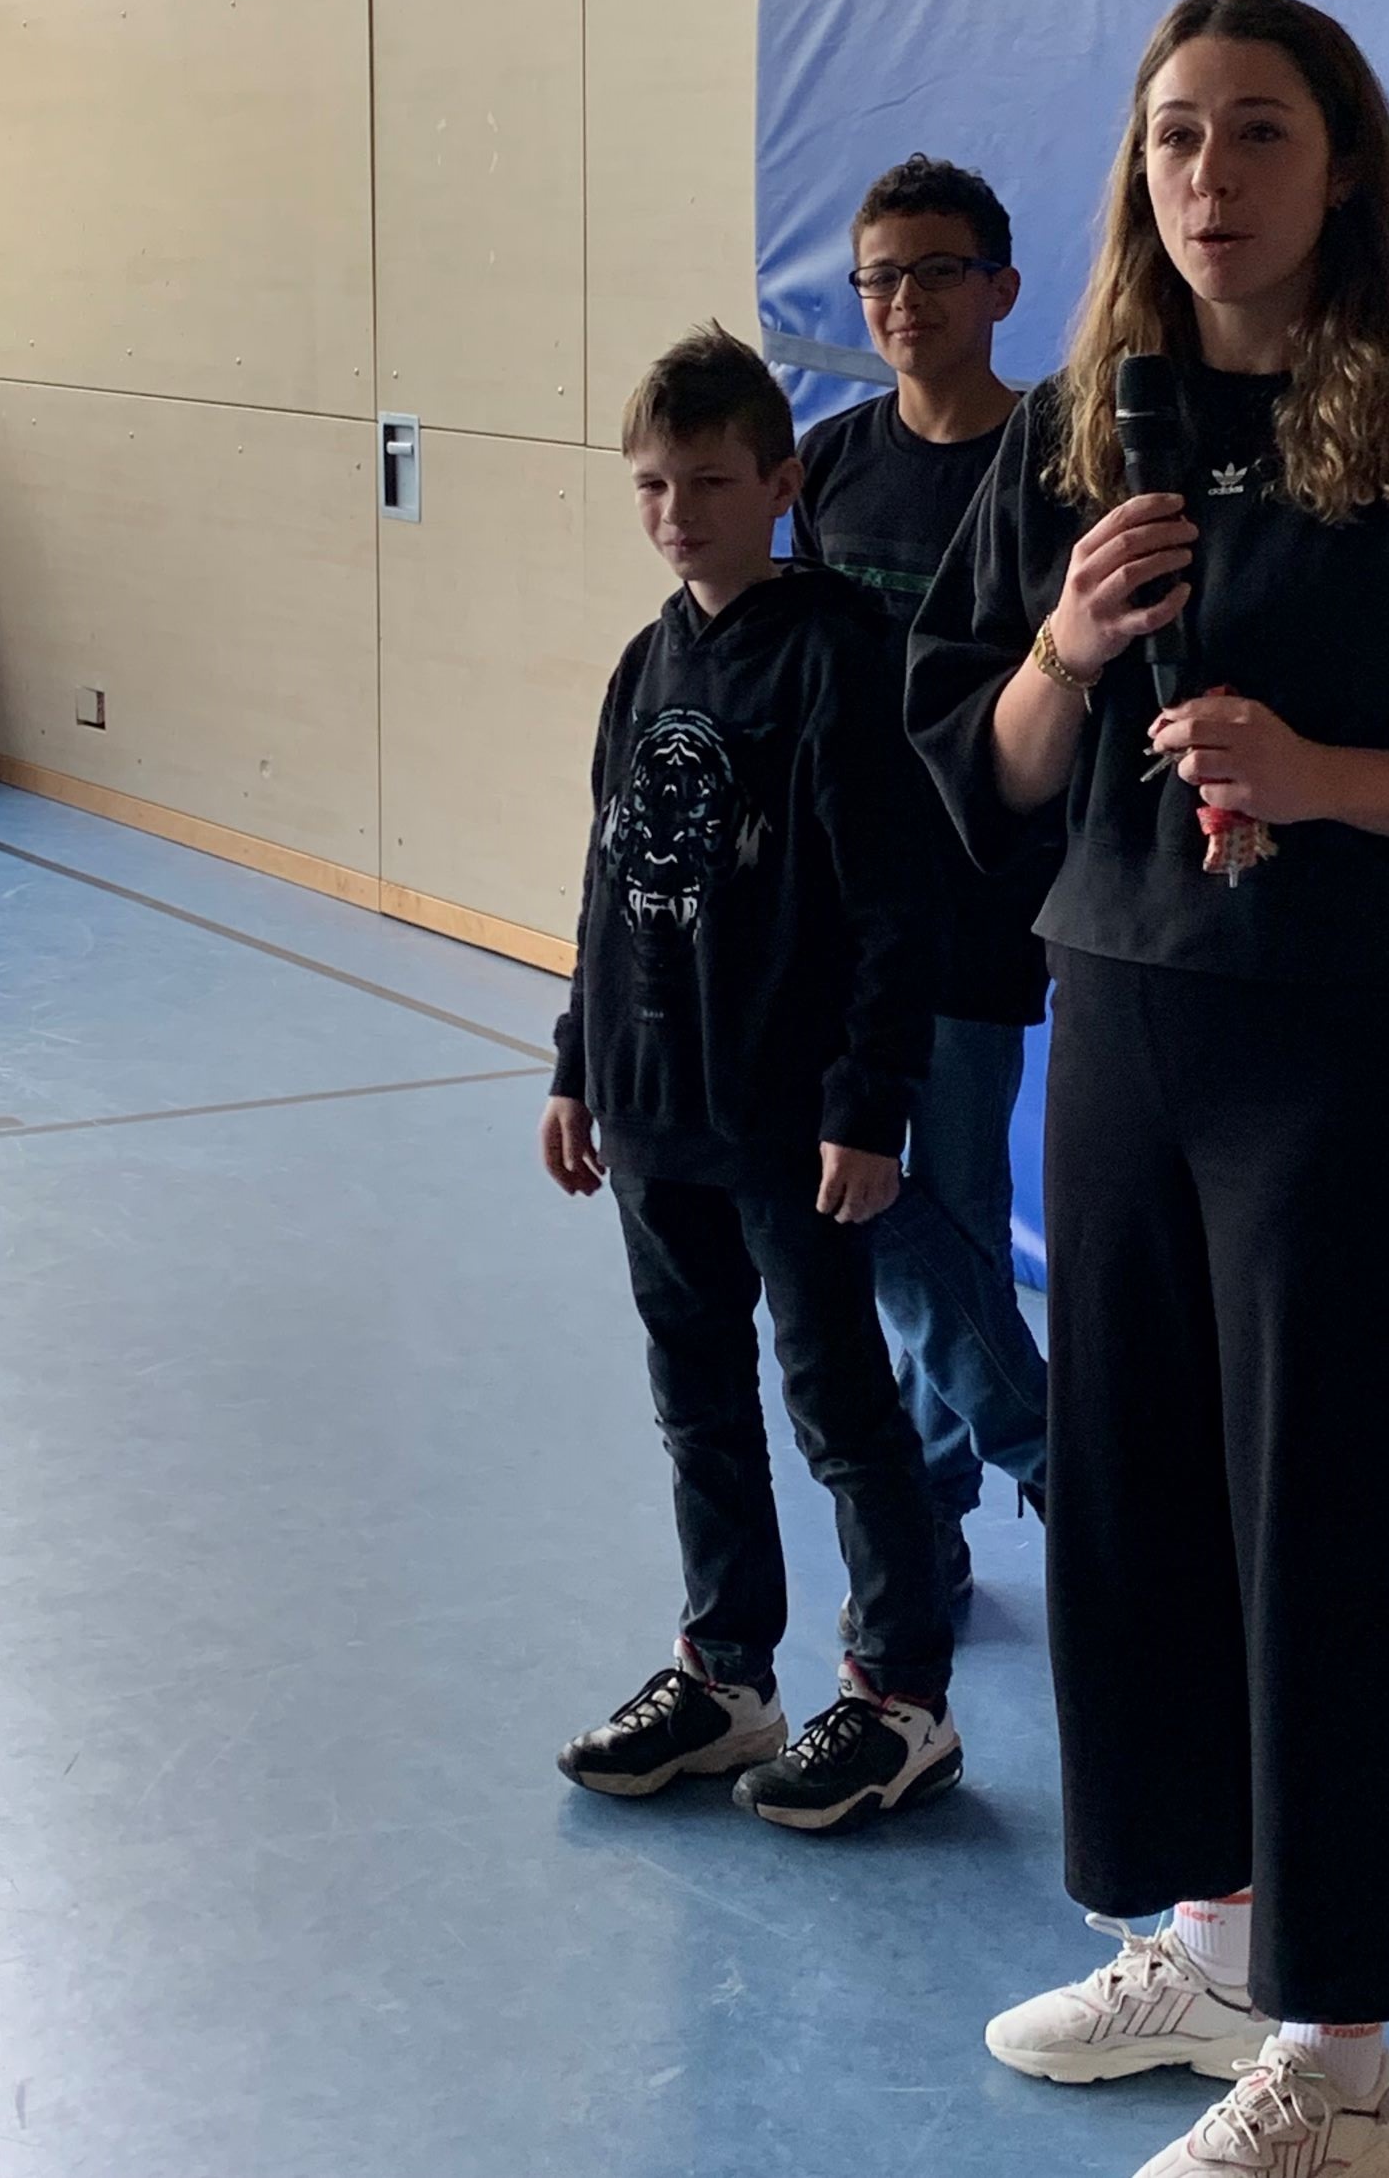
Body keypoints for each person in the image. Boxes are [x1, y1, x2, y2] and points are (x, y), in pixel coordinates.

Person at [907, 0, 1389, 2176]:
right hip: (1120, 1023)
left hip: (1334, 1051)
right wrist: (1063, 645)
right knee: (1138, 1509)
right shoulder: (1072, 442)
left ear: (1344, 167)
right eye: (1175, 136)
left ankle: (1344, 2057)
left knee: (1332, 1525)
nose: (1209, 178)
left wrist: (1315, 775)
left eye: (1259, 133)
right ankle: (1209, 1943)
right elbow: (977, 763)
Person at [543, 323, 961, 1833]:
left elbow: (891, 909)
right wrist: (578, 1063)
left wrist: (867, 1101)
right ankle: (726, 1675)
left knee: (841, 1405)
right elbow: (609, 882)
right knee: (697, 1402)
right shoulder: (645, 662)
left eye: (712, 482)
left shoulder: (840, 656)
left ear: (782, 485)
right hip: (655, 1110)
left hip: (789, 1120)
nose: (679, 513)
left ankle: (902, 1699)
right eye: (654, 485)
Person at [794, 155, 1051, 1605]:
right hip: (841, 910)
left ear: (1000, 288)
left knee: (947, 1214)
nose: (904, 301)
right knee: (866, 1202)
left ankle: (947, 1510)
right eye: (880, 276)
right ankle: (1002, 1481)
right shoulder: (831, 463)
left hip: (975, 906)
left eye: (936, 271)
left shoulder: (1053, 468)